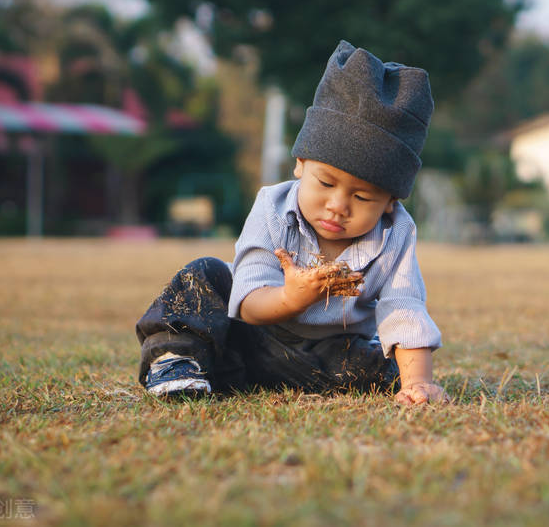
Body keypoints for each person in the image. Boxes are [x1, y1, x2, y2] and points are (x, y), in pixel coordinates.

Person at [135, 40, 448, 406]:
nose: (337, 206)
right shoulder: (272, 206)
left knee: (380, 367)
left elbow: (403, 305)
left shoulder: (396, 232)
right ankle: (178, 362)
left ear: (391, 201)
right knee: (205, 275)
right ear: (300, 163)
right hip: (251, 331)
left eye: (362, 198)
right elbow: (247, 300)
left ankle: (232, 373)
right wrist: (291, 297)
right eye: (326, 183)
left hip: (321, 357)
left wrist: (418, 382)